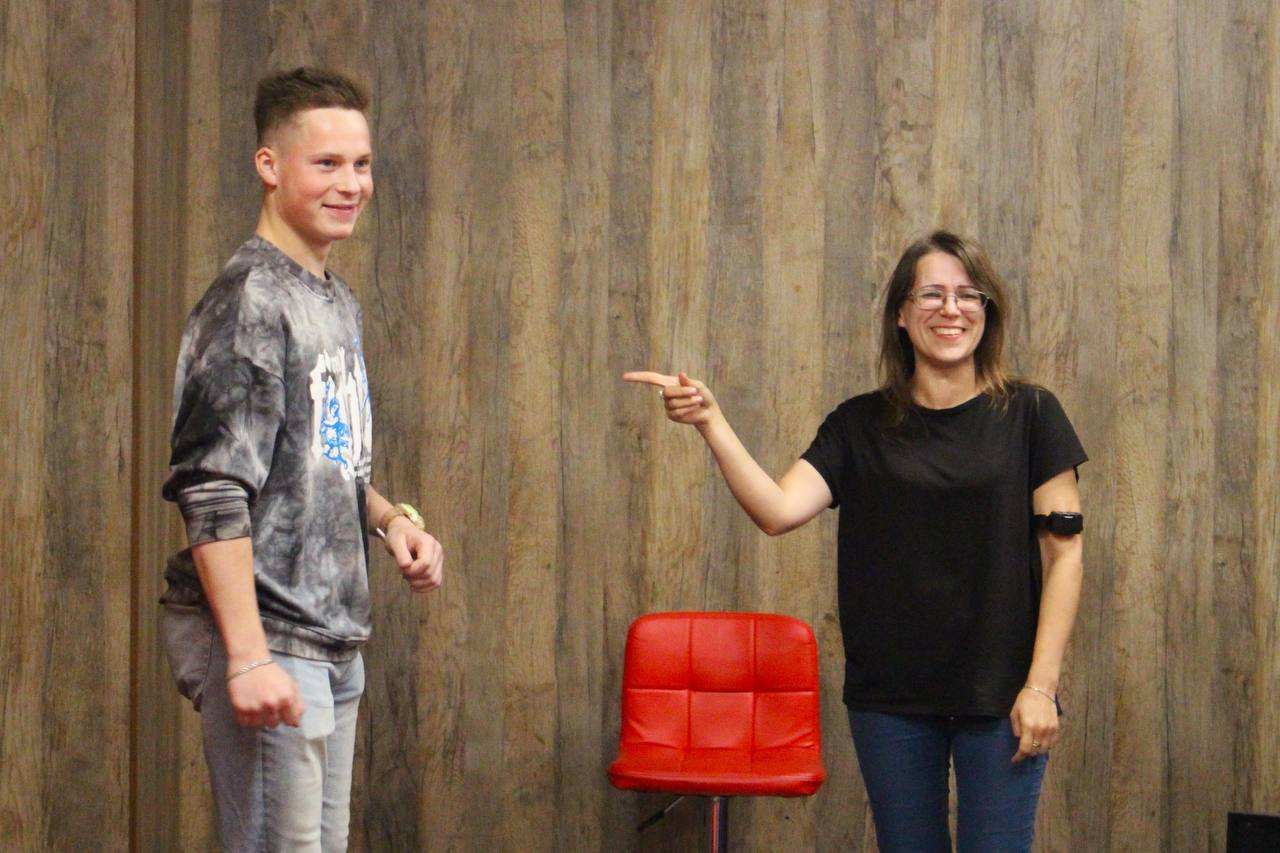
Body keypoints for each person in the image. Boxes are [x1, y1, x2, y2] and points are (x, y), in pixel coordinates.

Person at [625, 230, 1086, 852]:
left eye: (967, 294)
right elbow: (777, 511)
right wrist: (711, 421)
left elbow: (1064, 556)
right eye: (931, 294)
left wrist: (1041, 687)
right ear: (901, 313)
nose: (951, 309)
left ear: (987, 310)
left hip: (1004, 694)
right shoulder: (858, 424)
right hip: (890, 698)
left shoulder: (1031, 414)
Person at [160, 67, 444, 852]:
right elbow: (212, 487)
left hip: (331, 637)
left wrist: (392, 522)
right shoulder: (251, 300)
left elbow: (325, 461)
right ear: (269, 165)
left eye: (361, 164)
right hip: (272, 635)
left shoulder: (332, 299)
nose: (351, 184)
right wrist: (248, 656)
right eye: (327, 164)